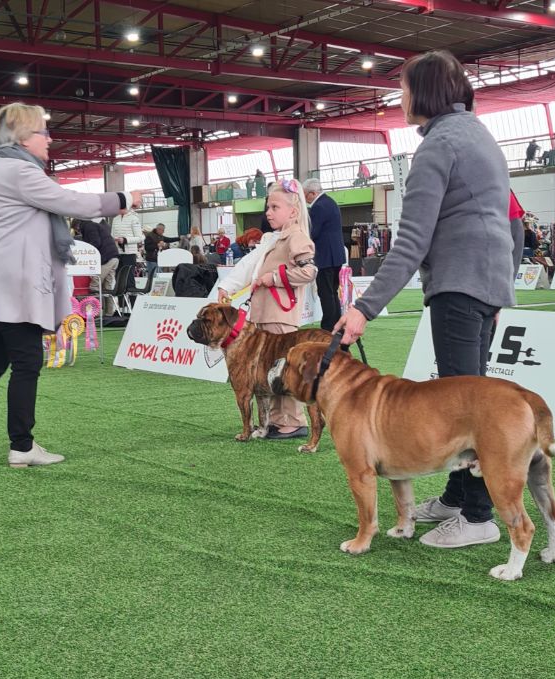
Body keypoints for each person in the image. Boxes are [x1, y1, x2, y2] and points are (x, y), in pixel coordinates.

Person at [334, 50, 519, 549]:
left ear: (427, 91)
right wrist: (502, 284)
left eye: (404, 89)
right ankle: (460, 497)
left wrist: (363, 308)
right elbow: (513, 219)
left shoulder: (438, 146)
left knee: (467, 404)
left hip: (459, 284)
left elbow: (411, 243)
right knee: (465, 394)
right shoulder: (479, 135)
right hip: (485, 281)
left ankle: (479, 517)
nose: (400, 99)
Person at [0, 102, 141, 468]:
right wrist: (122, 198)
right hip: (8, 283)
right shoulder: (19, 171)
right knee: (27, 359)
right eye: (42, 132)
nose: (49, 139)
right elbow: (71, 201)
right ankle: (22, 445)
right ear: (22, 137)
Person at [217, 179, 318, 440]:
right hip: (266, 314)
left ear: (293, 211)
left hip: (281, 316)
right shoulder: (276, 239)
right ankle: (277, 420)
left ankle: (292, 422)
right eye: (268, 207)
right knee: (271, 370)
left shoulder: (296, 237)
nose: (268, 212)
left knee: (283, 369)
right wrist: (228, 286)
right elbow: (250, 265)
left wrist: (271, 278)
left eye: (274, 207)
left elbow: (308, 271)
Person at [303, 177, 346, 331]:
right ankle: (337, 324)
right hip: (336, 256)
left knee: (326, 293)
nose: (304, 199)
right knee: (332, 292)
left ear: (312, 193)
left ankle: (328, 327)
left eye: (305, 195)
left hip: (325, 257)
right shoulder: (331, 202)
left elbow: (312, 232)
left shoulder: (318, 207)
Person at [76, 219, 119, 315]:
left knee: (95, 284)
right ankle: (109, 314)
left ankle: (96, 313)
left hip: (106, 258)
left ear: (78, 226)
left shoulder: (88, 227)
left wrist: (85, 251)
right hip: (114, 256)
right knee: (107, 288)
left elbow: (96, 242)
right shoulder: (94, 225)